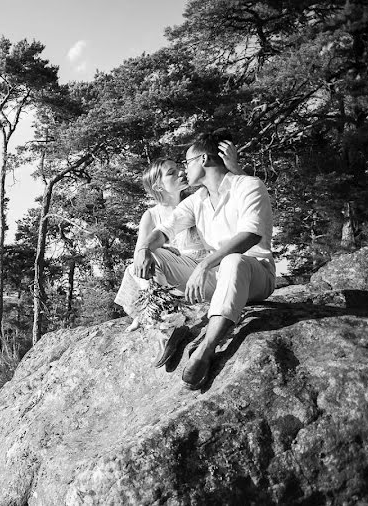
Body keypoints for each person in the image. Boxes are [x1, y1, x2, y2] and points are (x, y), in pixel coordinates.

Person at [136, 133, 275, 389]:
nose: (184, 169)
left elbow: (250, 236)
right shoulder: (196, 200)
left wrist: (204, 264)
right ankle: (169, 328)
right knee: (154, 255)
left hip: (256, 274)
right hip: (216, 278)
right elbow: (165, 230)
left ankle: (206, 350)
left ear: (203, 159)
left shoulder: (248, 185)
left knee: (233, 260)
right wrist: (144, 248)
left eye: (187, 162)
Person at [115, 143, 242, 366]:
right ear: (158, 185)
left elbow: (235, 194)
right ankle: (166, 324)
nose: (182, 172)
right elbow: (140, 257)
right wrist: (159, 250)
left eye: (180, 167)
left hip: (210, 274)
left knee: (152, 256)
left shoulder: (200, 199)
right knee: (141, 260)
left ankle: (157, 319)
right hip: (176, 283)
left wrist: (233, 167)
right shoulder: (151, 215)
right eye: (172, 173)